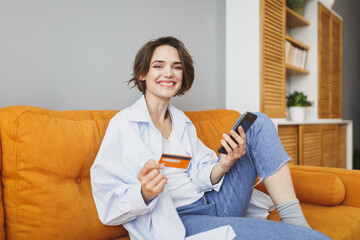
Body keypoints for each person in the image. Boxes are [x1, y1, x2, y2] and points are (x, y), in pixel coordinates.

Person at [90, 36, 330, 240]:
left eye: (176, 67)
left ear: (183, 75)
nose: (168, 73)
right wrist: (144, 193)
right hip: (180, 221)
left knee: (257, 122)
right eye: (158, 66)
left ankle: (296, 221)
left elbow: (199, 175)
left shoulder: (182, 122)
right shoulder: (124, 125)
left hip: (214, 202)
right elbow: (107, 206)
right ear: (142, 73)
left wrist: (223, 165)